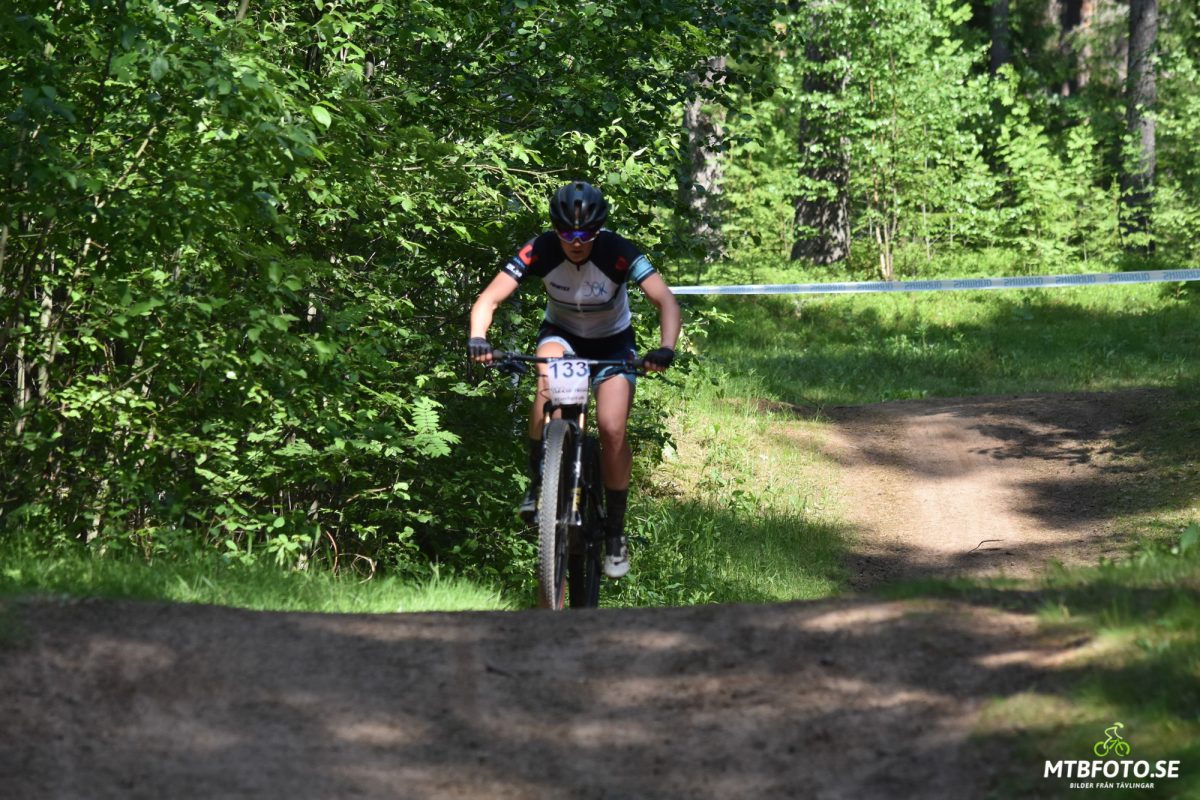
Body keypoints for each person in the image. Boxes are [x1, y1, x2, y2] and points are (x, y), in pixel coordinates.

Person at [468, 180, 681, 579]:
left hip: (613, 344)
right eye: (567, 234)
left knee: (612, 428)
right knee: (547, 379)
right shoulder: (540, 249)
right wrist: (479, 338)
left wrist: (666, 347)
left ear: (599, 231)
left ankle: (615, 533)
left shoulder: (618, 250)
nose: (577, 243)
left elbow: (664, 300)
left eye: (586, 235)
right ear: (556, 230)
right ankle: (540, 482)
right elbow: (489, 298)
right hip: (562, 336)